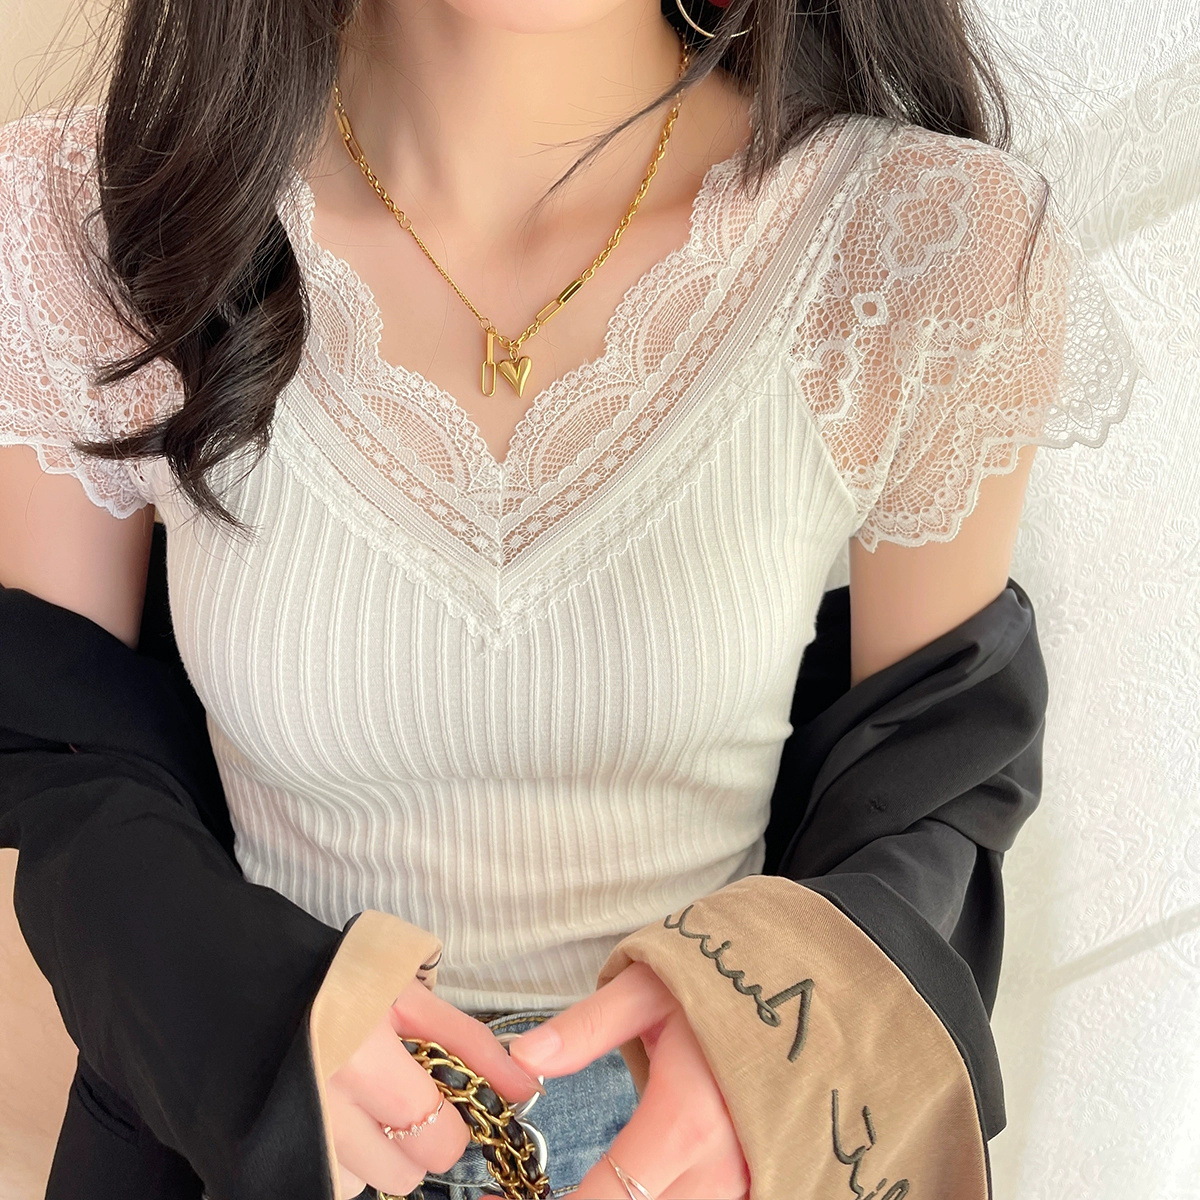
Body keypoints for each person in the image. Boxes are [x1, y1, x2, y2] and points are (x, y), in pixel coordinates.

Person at [0, 1, 1142, 1198]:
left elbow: (933, 782)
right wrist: (251, 1027)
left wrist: (773, 1050)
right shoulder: (97, 219)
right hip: (243, 1145)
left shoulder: (923, 238)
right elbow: (73, 766)